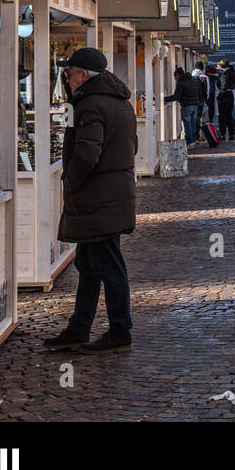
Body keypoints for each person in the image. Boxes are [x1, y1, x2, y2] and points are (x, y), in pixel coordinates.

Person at [44, 48, 137, 353]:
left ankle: (120, 330)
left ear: (83, 75)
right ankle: (79, 327)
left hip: (98, 197)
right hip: (109, 195)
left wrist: (71, 181)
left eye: (69, 74)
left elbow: (87, 154)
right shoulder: (118, 102)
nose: (67, 80)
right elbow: (130, 147)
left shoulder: (90, 105)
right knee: (89, 264)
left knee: (107, 265)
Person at [165, 67, 201, 145]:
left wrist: (163, 99)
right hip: (195, 105)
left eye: (175, 77)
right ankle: (193, 141)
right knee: (193, 123)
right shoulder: (193, 80)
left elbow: (176, 96)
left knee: (187, 124)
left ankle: (189, 142)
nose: (175, 79)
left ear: (178, 75)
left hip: (187, 106)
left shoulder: (181, 83)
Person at [216, 62, 235, 141]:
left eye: (218, 65)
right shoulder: (231, 73)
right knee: (229, 116)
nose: (217, 67)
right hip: (230, 95)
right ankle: (231, 134)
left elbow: (223, 86)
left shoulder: (224, 74)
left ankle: (222, 134)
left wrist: (220, 95)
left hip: (224, 97)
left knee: (222, 117)